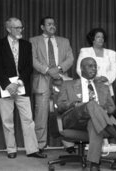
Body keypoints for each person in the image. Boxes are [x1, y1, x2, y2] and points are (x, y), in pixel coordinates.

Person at [57, 57, 116, 171]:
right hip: (73, 118)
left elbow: (112, 107)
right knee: (91, 104)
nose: (93, 68)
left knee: (94, 122)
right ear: (81, 68)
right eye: (90, 66)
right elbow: (60, 105)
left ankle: (94, 164)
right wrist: (74, 104)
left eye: (95, 66)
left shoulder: (103, 86)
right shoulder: (68, 84)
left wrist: (101, 112)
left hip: (96, 121)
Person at [0, 17, 46, 158]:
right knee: (7, 120)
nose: (20, 30)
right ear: (8, 29)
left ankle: (32, 149)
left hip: (22, 86)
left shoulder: (27, 45)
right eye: (17, 27)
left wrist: (19, 82)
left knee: (28, 119)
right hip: (5, 88)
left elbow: (28, 67)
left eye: (21, 27)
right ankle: (11, 149)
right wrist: (8, 85)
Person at [29, 16, 74, 151]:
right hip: (42, 79)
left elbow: (70, 58)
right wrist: (48, 70)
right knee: (41, 113)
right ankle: (40, 145)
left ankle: (69, 143)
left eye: (53, 24)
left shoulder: (64, 41)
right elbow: (33, 59)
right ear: (42, 27)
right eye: (49, 24)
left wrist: (58, 69)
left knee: (66, 111)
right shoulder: (34, 41)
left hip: (61, 79)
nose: (52, 26)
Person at [76, 28, 116, 96]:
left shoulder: (111, 53)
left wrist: (106, 78)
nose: (101, 39)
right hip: (89, 87)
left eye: (102, 37)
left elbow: (115, 70)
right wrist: (92, 79)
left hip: (106, 87)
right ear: (93, 39)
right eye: (98, 37)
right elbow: (79, 69)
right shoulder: (85, 51)